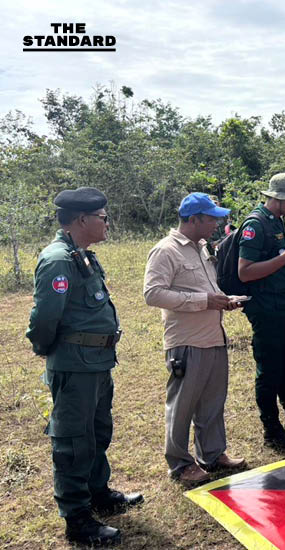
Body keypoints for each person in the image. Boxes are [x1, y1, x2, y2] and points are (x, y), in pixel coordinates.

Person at [26, 187, 142, 546]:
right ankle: (77, 519)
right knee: (73, 442)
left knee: (96, 433)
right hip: (75, 367)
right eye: (103, 218)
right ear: (82, 220)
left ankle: (98, 494)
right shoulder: (59, 260)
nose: (107, 223)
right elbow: (44, 319)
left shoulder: (82, 256)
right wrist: (50, 352)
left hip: (95, 364)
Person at [144, 192, 247, 485]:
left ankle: (212, 454)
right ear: (194, 219)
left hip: (213, 336)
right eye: (211, 218)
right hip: (186, 341)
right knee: (182, 406)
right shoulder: (166, 250)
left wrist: (224, 301)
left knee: (213, 402)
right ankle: (180, 464)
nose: (217, 223)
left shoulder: (201, 248)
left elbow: (205, 290)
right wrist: (203, 300)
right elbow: (152, 294)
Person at [237, 173, 285, 450]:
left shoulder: (276, 221)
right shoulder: (256, 224)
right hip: (265, 308)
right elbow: (244, 272)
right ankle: (271, 429)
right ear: (279, 199)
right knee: (269, 369)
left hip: (281, 306)